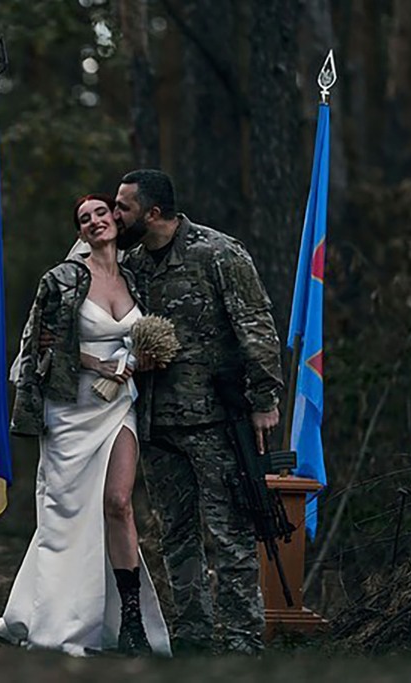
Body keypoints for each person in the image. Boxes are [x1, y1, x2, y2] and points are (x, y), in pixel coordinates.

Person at [0, 195, 171, 658]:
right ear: (80, 233)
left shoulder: (136, 278)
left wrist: (141, 359)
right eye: (84, 219)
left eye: (101, 212)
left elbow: (145, 335)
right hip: (71, 412)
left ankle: (132, 623)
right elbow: (42, 349)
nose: (95, 222)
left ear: (115, 218)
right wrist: (97, 362)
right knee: (67, 515)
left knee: (118, 504)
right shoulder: (61, 280)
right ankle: (52, 619)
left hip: (118, 409)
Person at [113, 169, 284, 655]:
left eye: (124, 207)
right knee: (176, 536)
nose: (116, 213)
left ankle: (243, 643)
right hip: (156, 424)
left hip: (214, 422)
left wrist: (265, 400)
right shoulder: (135, 265)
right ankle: (191, 638)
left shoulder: (218, 253)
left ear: (153, 212)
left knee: (229, 537)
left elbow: (255, 324)